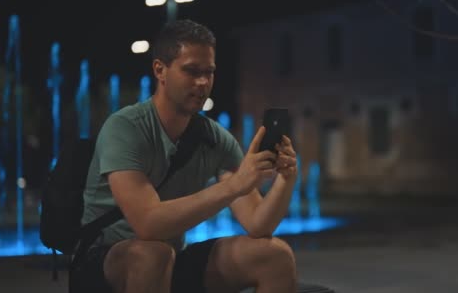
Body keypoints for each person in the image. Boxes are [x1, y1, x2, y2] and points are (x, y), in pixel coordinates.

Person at [73, 19, 299, 293]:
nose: (203, 82)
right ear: (160, 70)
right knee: (152, 254)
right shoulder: (125, 128)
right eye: (191, 71)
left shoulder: (215, 138)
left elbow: (257, 223)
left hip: (168, 258)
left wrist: (286, 180)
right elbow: (148, 225)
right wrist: (233, 186)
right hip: (103, 263)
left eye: (209, 72)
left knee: (274, 255)